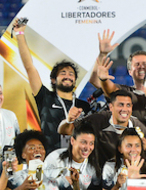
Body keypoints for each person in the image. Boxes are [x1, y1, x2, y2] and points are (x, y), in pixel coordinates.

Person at [13, 18, 91, 153]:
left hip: (77, 159)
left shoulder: (83, 106)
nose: (68, 76)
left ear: (75, 81)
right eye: (63, 73)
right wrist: (20, 35)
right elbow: (30, 67)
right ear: (54, 80)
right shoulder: (45, 97)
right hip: (50, 158)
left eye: (71, 74)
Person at [59, 89, 146, 166]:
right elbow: (65, 131)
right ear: (111, 107)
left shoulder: (139, 127)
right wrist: (69, 120)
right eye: (120, 105)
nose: (124, 109)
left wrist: (145, 148)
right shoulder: (97, 120)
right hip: (97, 177)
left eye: (128, 105)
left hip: (127, 175)